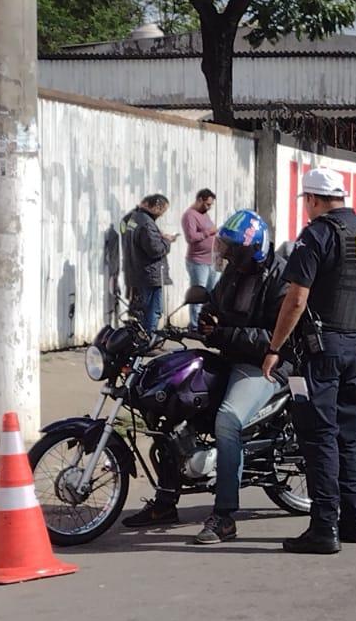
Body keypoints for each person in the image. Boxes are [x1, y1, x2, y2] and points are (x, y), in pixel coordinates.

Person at [261, 167, 356, 554]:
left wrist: (275, 348)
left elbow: (296, 300)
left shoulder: (317, 235)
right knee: (348, 437)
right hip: (355, 347)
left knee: (319, 437)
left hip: (321, 351)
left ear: (312, 199)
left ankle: (324, 528)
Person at [123, 209, 289, 537]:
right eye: (226, 249)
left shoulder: (281, 278)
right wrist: (205, 319)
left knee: (227, 420)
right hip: (230, 355)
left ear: (252, 250)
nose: (227, 256)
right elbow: (214, 303)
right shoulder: (235, 271)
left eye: (234, 250)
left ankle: (224, 516)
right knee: (170, 403)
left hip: (264, 365)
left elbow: (276, 337)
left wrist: (223, 332)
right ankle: (166, 501)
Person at [120, 194, 178, 332]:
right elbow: (155, 250)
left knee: (141, 310)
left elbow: (136, 238)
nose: (162, 214)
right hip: (150, 275)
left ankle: (139, 337)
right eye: (163, 210)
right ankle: (148, 339)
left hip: (137, 272)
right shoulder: (147, 224)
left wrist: (159, 236)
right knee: (154, 310)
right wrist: (167, 241)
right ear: (157, 207)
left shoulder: (133, 218)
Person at [183, 189, 219, 330]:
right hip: (198, 262)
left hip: (211, 261)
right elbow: (191, 237)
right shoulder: (190, 215)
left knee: (211, 295)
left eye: (211, 205)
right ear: (199, 200)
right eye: (207, 204)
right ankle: (194, 325)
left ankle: (205, 324)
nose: (209, 207)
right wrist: (209, 232)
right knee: (198, 295)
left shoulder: (205, 215)